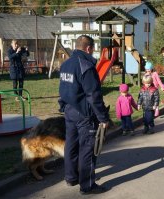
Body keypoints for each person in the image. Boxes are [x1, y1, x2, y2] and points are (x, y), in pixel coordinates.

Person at [58, 35, 109, 195]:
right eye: (93, 49)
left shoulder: (65, 64)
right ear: (88, 48)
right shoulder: (86, 65)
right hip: (84, 113)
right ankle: (87, 185)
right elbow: (93, 95)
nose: (93, 52)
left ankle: (71, 177)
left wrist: (64, 107)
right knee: (87, 149)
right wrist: (103, 118)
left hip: (69, 110)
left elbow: (63, 89)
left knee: (71, 145)